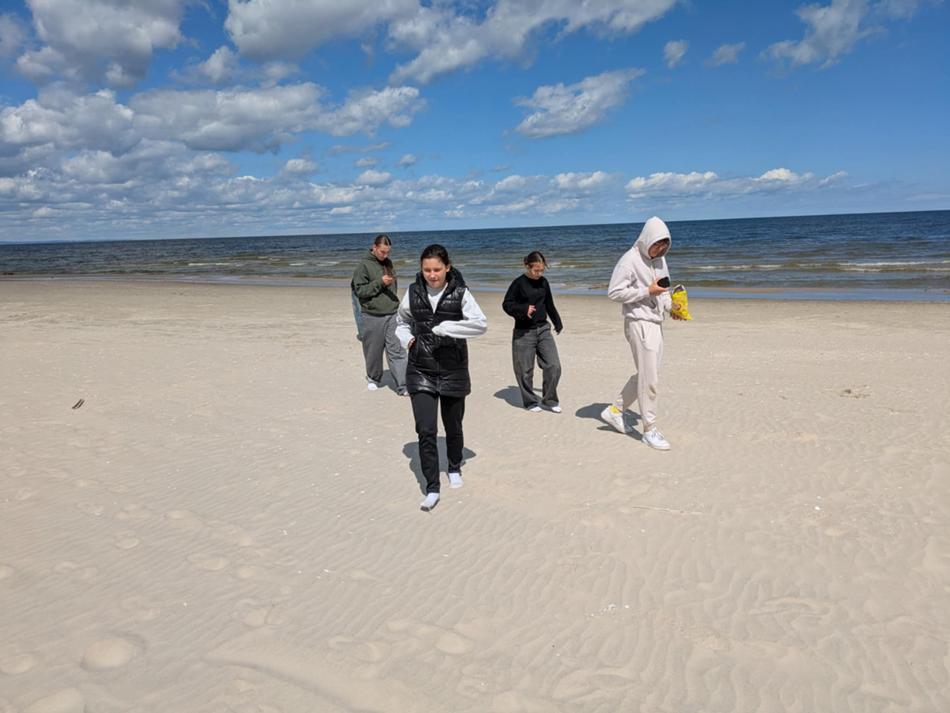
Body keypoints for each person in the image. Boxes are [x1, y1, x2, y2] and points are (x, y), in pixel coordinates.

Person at [395, 244, 487, 511]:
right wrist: (408, 340)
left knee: (453, 425)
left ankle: (454, 466)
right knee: (426, 429)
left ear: (447, 267)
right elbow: (401, 322)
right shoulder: (413, 292)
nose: (432, 275)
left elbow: (480, 324)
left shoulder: (461, 292)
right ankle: (432, 487)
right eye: (427, 270)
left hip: (453, 369)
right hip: (420, 369)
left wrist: (449, 328)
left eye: (437, 269)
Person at [601, 216, 684, 450]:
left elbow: (663, 289)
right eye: (657, 244)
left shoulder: (660, 260)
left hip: (655, 322)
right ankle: (649, 430)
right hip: (638, 322)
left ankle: (615, 410)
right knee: (650, 380)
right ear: (647, 239)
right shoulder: (629, 260)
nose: (660, 249)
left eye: (665, 245)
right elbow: (614, 292)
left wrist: (671, 308)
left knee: (648, 375)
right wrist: (646, 291)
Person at [502, 251, 563, 413]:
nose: (539, 274)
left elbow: (549, 303)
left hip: (543, 329)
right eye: (536, 270)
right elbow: (507, 304)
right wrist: (523, 309)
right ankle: (530, 402)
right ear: (527, 266)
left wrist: (557, 322)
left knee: (554, 366)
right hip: (524, 332)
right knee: (525, 371)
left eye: (542, 270)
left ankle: (549, 400)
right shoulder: (518, 283)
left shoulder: (544, 282)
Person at [351, 234, 407, 393]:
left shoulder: (388, 262)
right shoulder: (363, 266)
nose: (385, 255)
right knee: (373, 351)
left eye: (388, 252)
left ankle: (403, 385)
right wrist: (380, 282)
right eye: (382, 252)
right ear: (374, 247)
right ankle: (373, 378)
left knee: (397, 349)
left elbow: (392, 287)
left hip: (392, 312)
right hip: (372, 314)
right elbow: (360, 291)